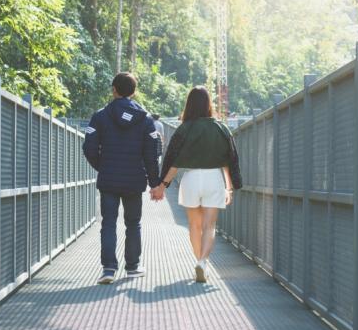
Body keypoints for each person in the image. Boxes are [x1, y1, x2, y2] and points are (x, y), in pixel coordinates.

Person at [152, 86, 242, 283]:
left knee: (194, 225)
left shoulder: (185, 128)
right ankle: (202, 262)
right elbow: (229, 161)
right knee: (210, 226)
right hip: (214, 179)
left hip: (191, 179)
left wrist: (161, 185)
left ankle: (199, 261)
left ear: (189, 104)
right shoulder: (220, 128)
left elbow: (174, 161)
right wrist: (229, 187)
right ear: (208, 104)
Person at [83, 72, 163, 284]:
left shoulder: (99, 116)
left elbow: (89, 147)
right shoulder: (145, 119)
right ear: (134, 91)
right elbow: (151, 154)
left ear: (114, 90)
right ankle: (133, 267)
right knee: (133, 223)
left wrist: (103, 166)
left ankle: (108, 269)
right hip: (134, 180)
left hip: (108, 179)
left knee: (108, 223)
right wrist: (155, 183)